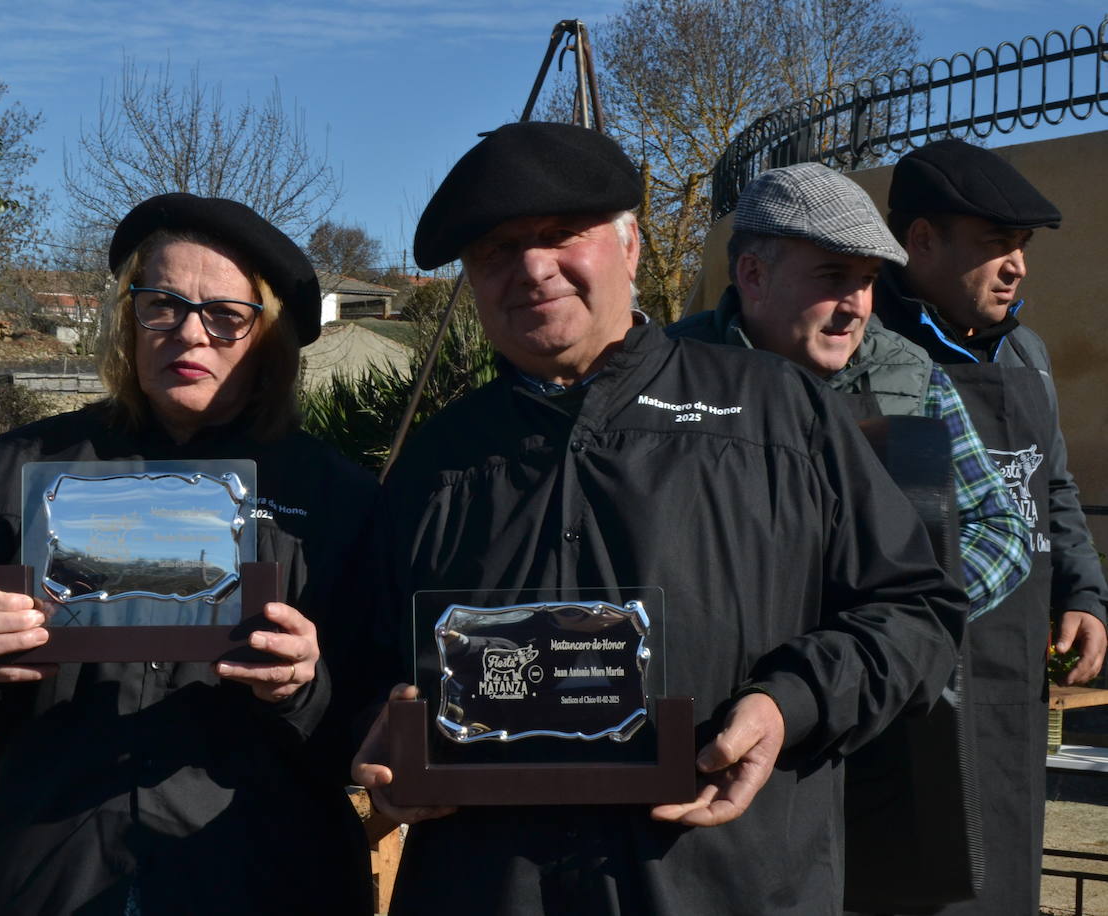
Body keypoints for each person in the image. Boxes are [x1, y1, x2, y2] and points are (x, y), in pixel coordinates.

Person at [353, 121, 965, 915]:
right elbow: (367, 659)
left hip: (726, 884)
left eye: (559, 235)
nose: (532, 268)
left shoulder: (775, 414)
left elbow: (916, 612)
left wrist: (791, 702)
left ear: (631, 246)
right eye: (497, 251)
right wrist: (378, 738)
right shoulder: (437, 459)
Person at [0, 193, 378, 915]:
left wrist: (307, 688)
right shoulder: (22, 466)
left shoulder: (338, 497)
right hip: (46, 874)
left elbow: (380, 730)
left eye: (224, 315)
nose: (189, 333)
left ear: (265, 336)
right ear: (128, 317)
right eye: (164, 304)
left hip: (260, 876)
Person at [873, 138, 1108, 914]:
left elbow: (1057, 486)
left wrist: (1083, 591)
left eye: (1024, 247)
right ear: (922, 241)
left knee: (1006, 873)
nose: (1019, 267)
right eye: (997, 245)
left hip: (1015, 673)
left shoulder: (1030, 352)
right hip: (909, 677)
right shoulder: (870, 352)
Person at [669, 162, 1029, 620]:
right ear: (753, 275)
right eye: (832, 276)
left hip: (863, 682)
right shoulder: (666, 373)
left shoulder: (914, 378)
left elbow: (1000, 528)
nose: (857, 307)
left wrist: (902, 619)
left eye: (867, 280)